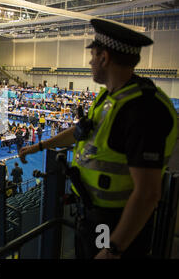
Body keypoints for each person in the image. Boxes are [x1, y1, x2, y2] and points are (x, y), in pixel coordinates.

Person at [19, 19, 177, 259]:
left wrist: (112, 249)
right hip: (92, 214)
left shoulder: (144, 110)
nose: (91, 61)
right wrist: (39, 146)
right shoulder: (109, 97)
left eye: (93, 55)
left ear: (104, 58)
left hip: (114, 222)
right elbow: (80, 132)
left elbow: (148, 193)